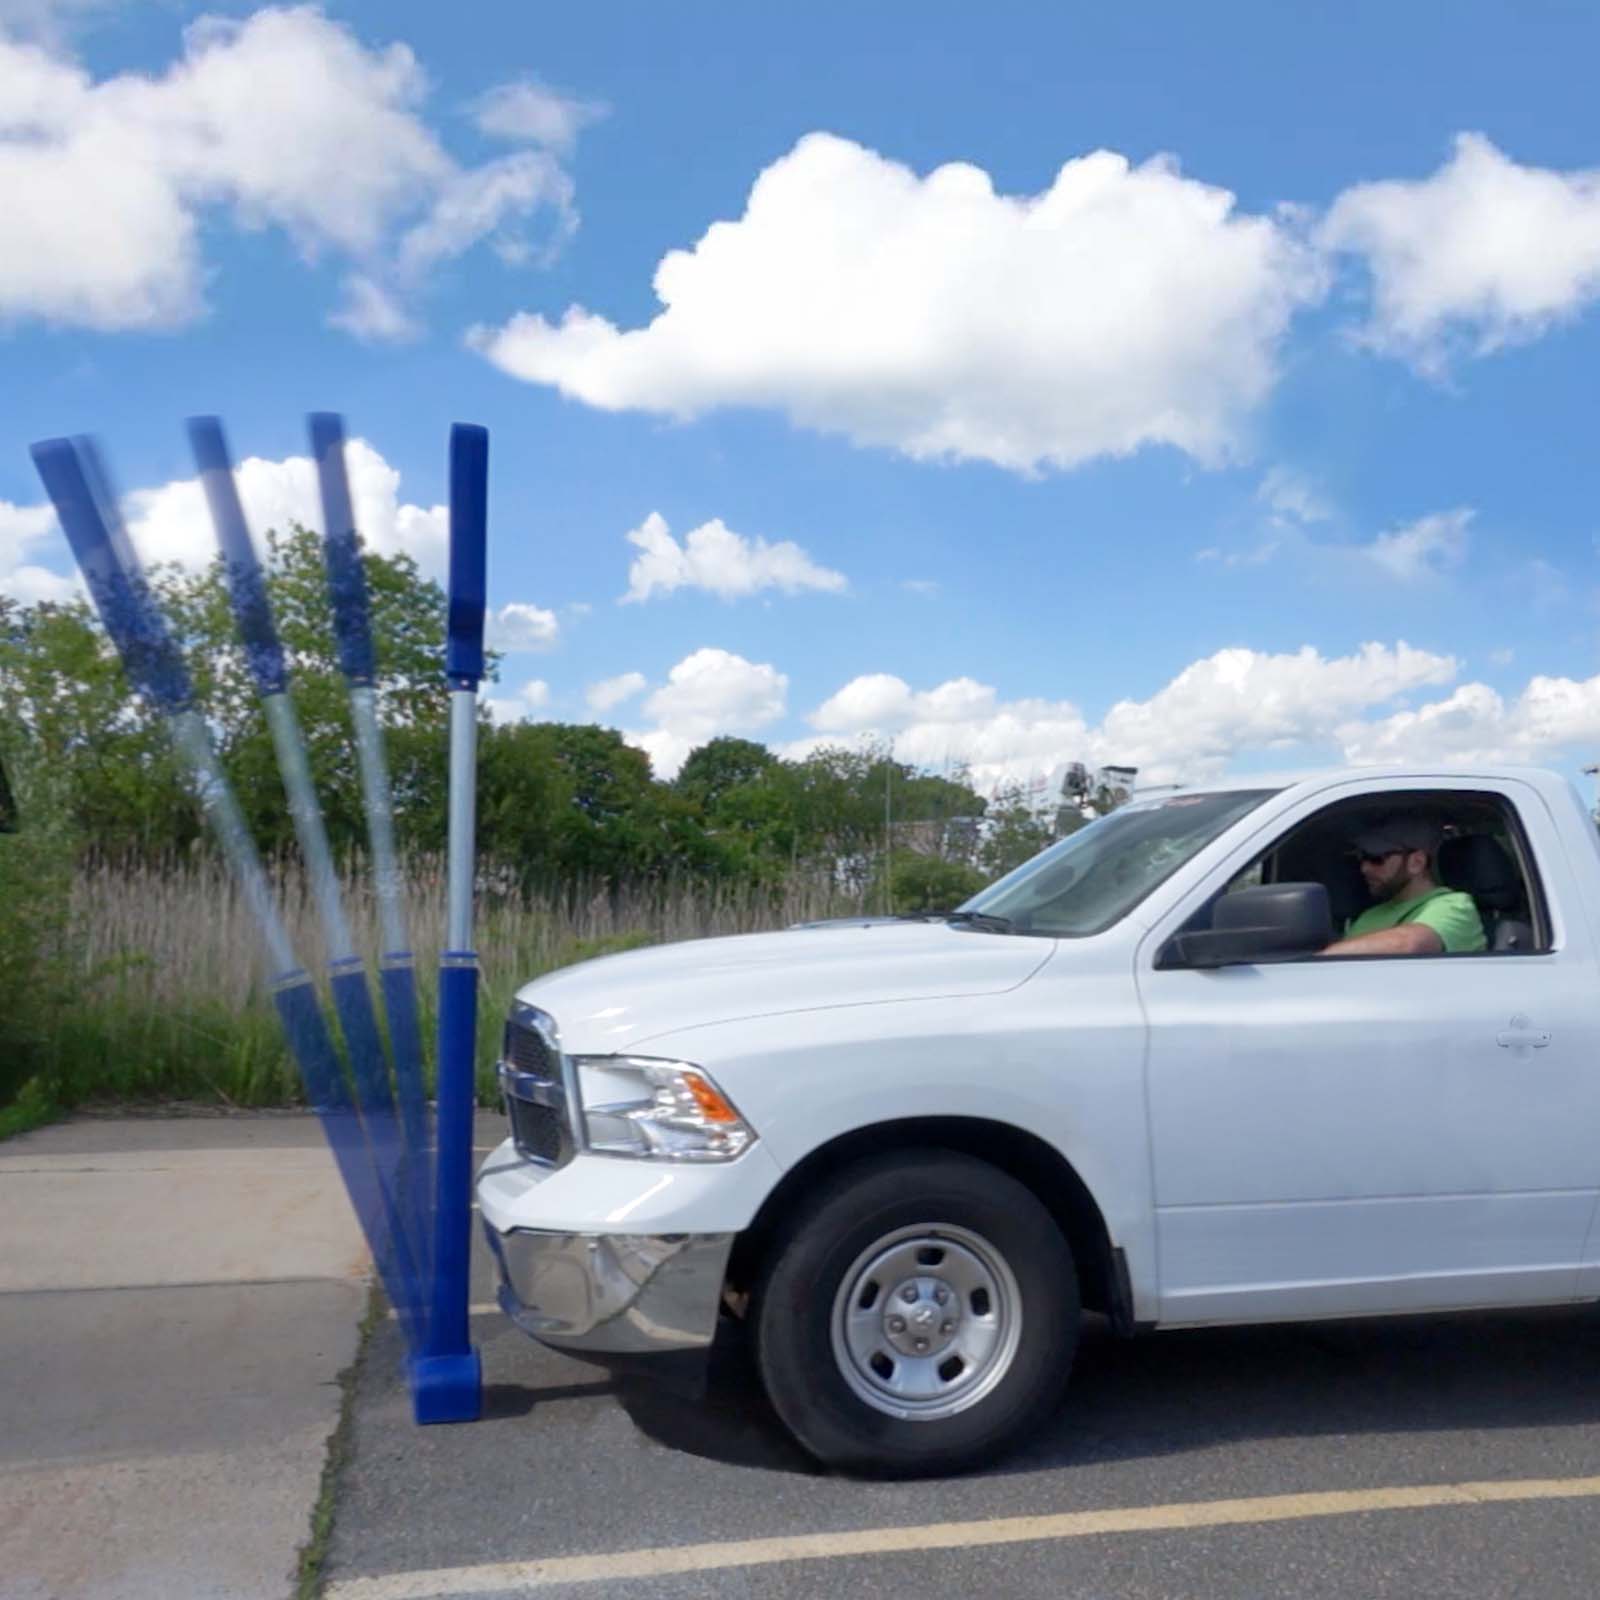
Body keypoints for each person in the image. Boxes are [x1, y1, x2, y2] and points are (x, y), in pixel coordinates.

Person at [1321, 816, 1485, 956]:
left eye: (1376, 858)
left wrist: (1320, 957)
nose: (1364, 868)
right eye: (1361, 857)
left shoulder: (1454, 905)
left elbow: (1409, 944)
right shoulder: (1370, 915)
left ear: (1416, 862)